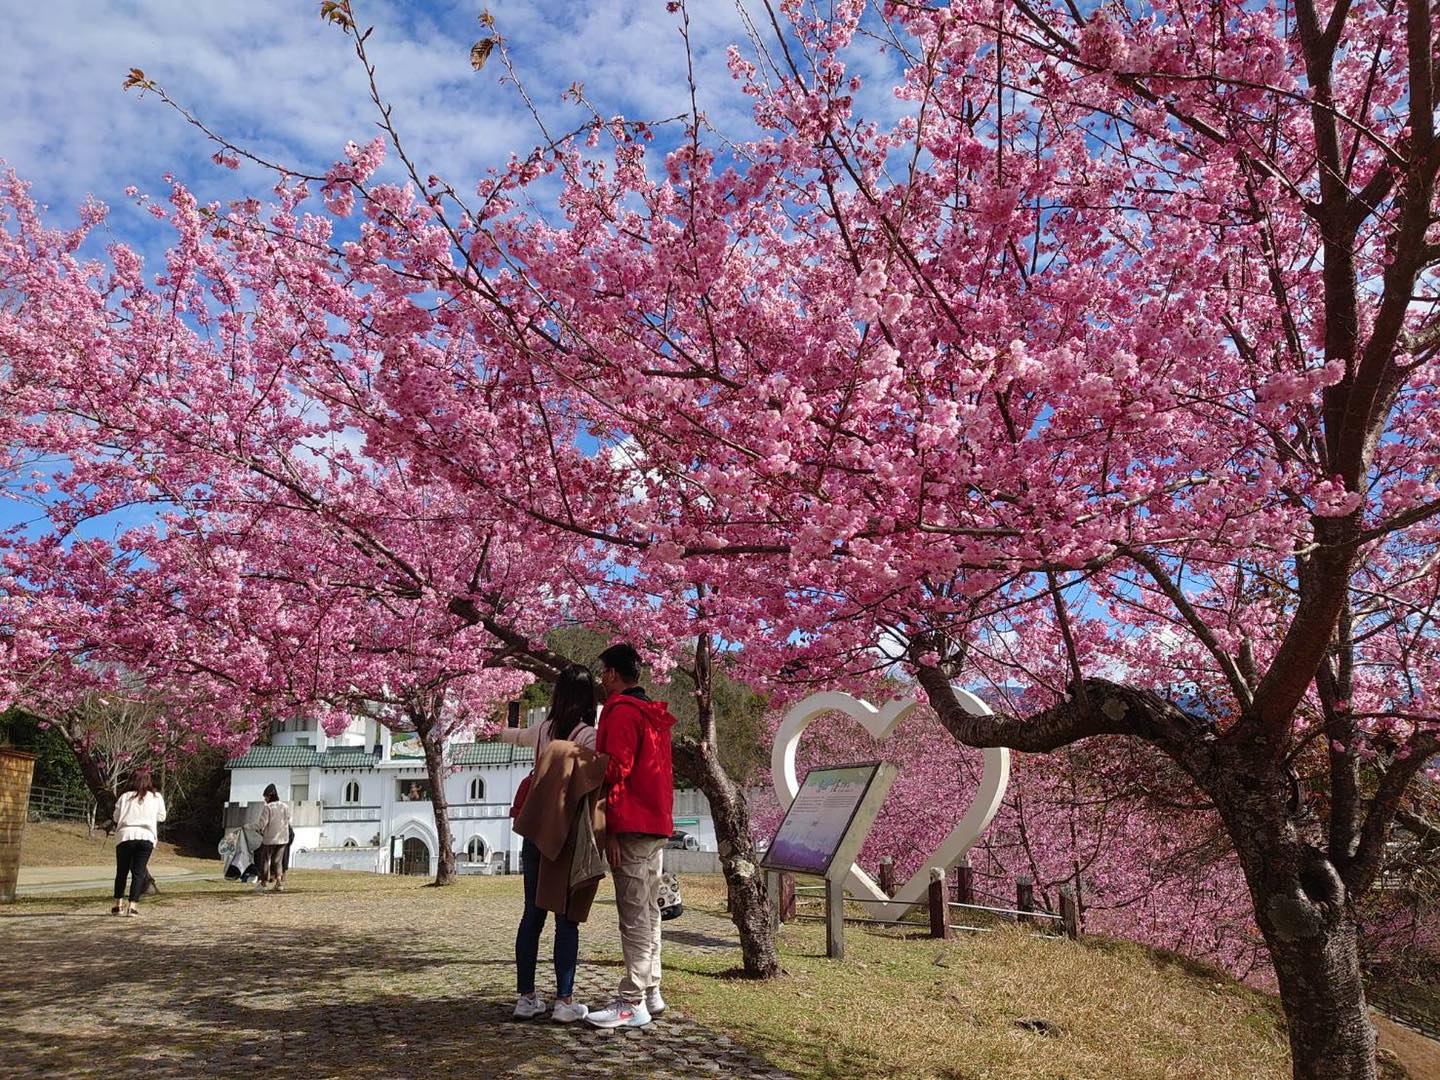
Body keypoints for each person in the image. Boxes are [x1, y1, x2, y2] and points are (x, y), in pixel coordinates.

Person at [501, 665, 599, 1023]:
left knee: (532, 914)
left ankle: (526, 997)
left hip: (535, 828)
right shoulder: (587, 735)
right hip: (566, 833)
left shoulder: (543, 730)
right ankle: (564, 1000)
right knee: (566, 919)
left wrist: (510, 708)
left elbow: (509, 735)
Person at [586, 644, 675, 1029]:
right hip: (656, 822)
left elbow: (617, 768)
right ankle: (651, 992)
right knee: (650, 910)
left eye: (602, 672)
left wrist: (580, 761)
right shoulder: (653, 715)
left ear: (610, 674)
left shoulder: (621, 711)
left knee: (634, 915)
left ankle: (631, 1000)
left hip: (632, 825)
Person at [111, 768, 166, 916]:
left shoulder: (124, 797)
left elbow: (116, 817)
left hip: (125, 836)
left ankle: (118, 905)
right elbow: (162, 817)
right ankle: (132, 906)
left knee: (121, 871)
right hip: (146, 836)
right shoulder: (156, 797)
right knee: (138, 872)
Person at [255, 784, 293, 893]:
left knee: (265, 860)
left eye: (266, 797)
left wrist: (257, 829)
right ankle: (279, 882)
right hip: (283, 838)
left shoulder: (268, 808)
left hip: (270, 839)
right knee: (278, 861)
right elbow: (289, 819)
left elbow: (263, 823)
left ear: (270, 796)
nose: (265, 799)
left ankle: (263, 882)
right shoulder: (285, 806)